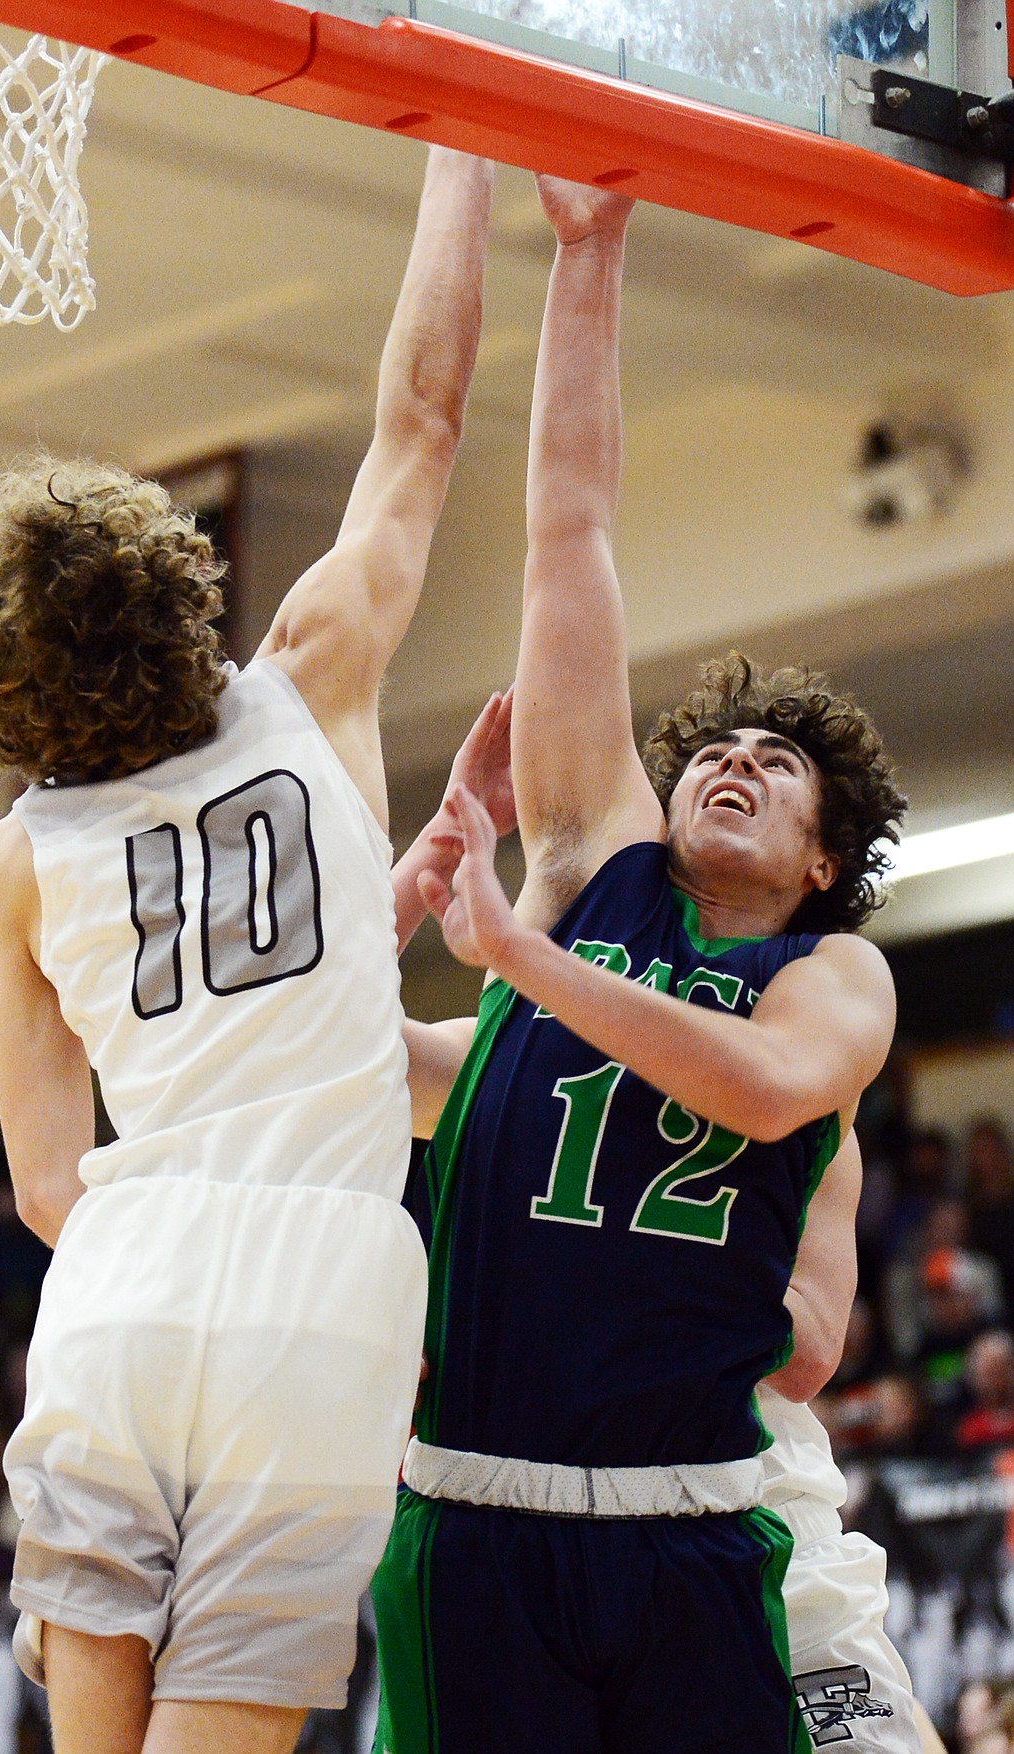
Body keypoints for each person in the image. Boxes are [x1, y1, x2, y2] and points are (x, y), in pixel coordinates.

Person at [0, 146, 494, 1754]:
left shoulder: (16, 864)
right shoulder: (306, 675)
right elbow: (423, 419)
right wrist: (463, 138)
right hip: (319, 1281)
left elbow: (47, 1190)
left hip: (129, 1277)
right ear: (178, 585)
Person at [373, 175, 906, 1754]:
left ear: (823, 860)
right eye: (714, 747)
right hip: (482, 1506)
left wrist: (517, 962)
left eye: (776, 766)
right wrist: (591, 250)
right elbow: (570, 531)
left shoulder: (833, 982)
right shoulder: (587, 865)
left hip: (697, 1514)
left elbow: (750, 1090)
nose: (734, 762)